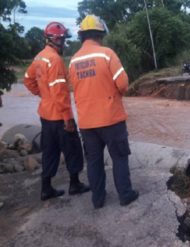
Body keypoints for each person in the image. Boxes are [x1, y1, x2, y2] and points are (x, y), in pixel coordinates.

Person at [69, 15, 139, 209]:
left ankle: (97, 200)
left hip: (86, 123)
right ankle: (125, 195)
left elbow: (74, 88)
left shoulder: (73, 61)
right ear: (100, 35)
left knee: (93, 161)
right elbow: (123, 84)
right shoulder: (107, 54)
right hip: (111, 119)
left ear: (82, 36)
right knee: (119, 157)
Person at [23, 22, 90, 201]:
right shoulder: (55, 60)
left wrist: (43, 95)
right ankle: (75, 184)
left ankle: (46, 188)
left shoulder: (39, 57)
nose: (64, 43)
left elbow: (28, 80)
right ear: (55, 39)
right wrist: (68, 119)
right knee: (73, 149)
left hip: (45, 115)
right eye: (62, 39)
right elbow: (61, 94)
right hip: (60, 117)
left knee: (50, 151)